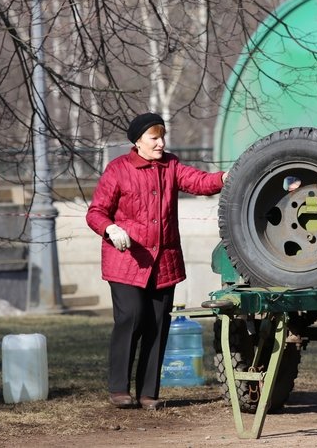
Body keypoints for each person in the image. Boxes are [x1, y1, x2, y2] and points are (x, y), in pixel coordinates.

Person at [86, 112, 227, 410]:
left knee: (158, 325)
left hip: (164, 263)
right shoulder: (117, 170)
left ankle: (148, 393)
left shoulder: (171, 165)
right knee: (131, 317)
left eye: (162, 136)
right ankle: (119, 389)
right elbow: (96, 212)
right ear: (138, 141)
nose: (161, 143)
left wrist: (225, 178)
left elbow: (199, 181)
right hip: (126, 261)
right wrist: (110, 229)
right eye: (154, 137)